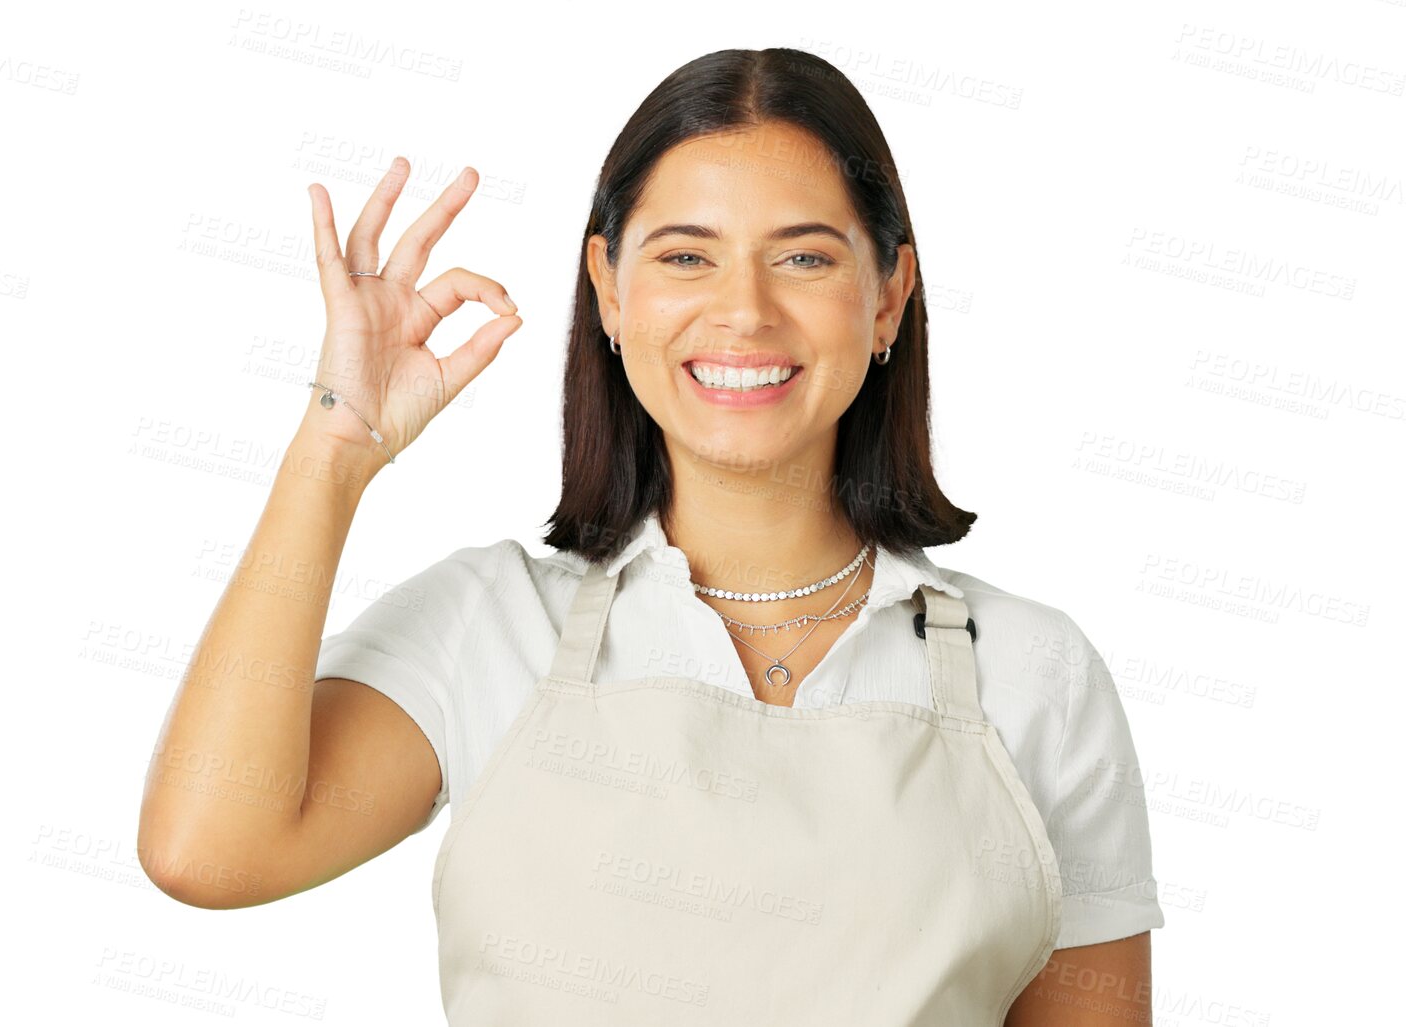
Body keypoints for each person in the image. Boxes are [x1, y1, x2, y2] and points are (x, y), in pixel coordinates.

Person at [139, 47, 1162, 1027]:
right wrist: (334, 446)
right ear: (610, 289)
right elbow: (208, 847)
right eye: (686, 257)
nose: (744, 313)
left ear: (888, 294)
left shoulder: (1037, 675)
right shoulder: (485, 629)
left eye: (803, 256)